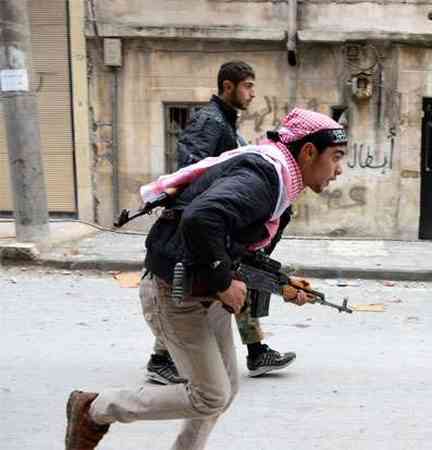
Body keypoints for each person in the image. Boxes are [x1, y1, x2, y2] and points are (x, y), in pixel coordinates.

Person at [65, 107, 348, 450]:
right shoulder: (264, 178)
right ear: (307, 152)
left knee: (224, 389)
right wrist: (224, 282)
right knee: (211, 395)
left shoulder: (281, 187)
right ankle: (95, 408)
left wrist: (282, 282)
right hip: (176, 292)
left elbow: (239, 247)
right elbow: (202, 218)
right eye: (336, 157)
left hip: (204, 294)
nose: (339, 170)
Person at [146, 60, 297, 385]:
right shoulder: (210, 122)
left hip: (218, 223)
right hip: (199, 223)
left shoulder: (225, 123)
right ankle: (161, 358)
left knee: (233, 281)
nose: (252, 93)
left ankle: (256, 351)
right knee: (188, 289)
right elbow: (193, 168)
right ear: (228, 86)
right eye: (247, 86)